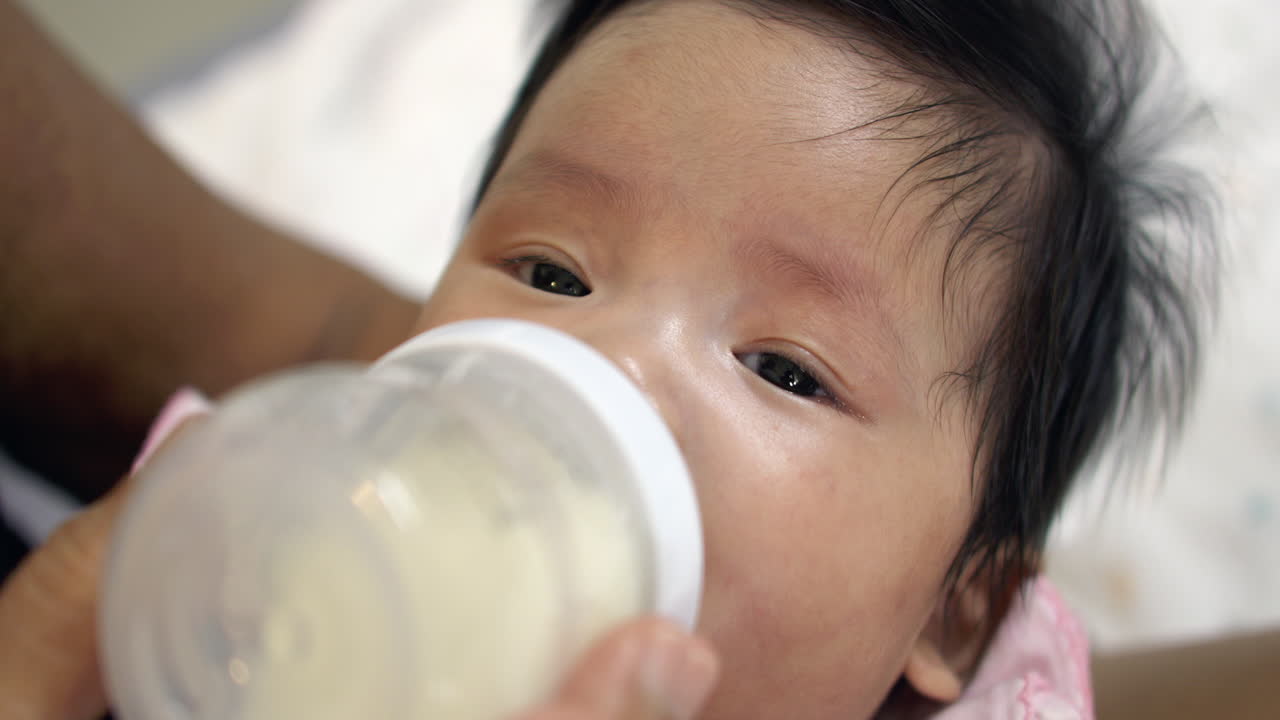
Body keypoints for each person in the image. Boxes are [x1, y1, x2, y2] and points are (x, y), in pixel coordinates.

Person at [1, 0, 1226, 718]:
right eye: (548, 274)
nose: (610, 358)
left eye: (784, 369)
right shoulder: (267, 549)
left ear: (956, 615)